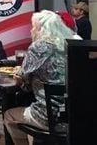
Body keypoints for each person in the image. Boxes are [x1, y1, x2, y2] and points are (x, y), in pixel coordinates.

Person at [4, 10, 75, 145]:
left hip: (49, 117)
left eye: (33, 27)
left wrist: (18, 75)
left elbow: (20, 78)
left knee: (9, 115)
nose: (31, 30)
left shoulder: (39, 47)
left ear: (41, 29)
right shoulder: (70, 46)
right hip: (73, 116)